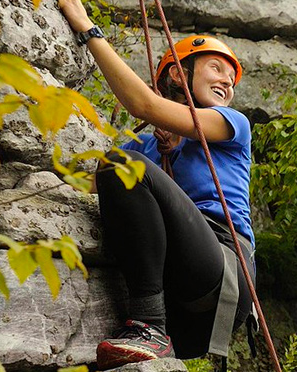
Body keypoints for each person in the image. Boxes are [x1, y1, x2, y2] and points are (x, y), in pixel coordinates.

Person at [57, 0, 256, 369]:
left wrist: (86, 26)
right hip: (182, 310)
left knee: (123, 165)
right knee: (116, 168)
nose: (228, 81)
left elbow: (144, 106)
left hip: (221, 270)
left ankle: (148, 325)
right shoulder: (145, 147)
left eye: (232, 78)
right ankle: (149, 324)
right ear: (179, 74)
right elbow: (85, 184)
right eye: (217, 68)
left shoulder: (231, 126)